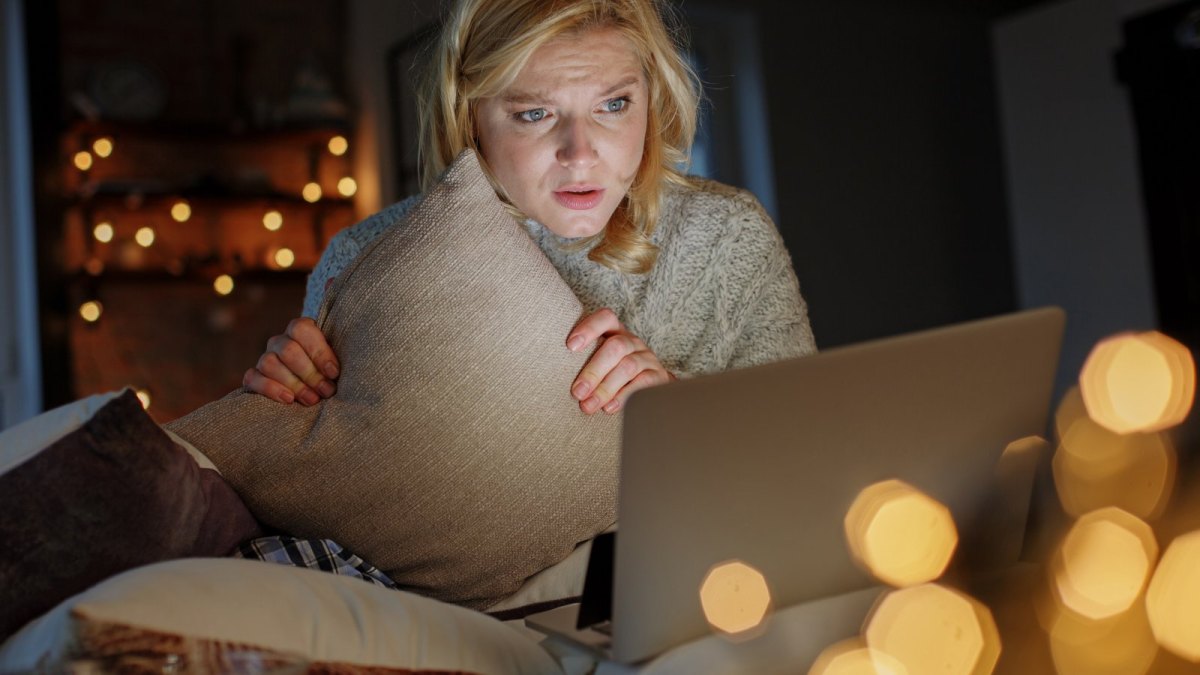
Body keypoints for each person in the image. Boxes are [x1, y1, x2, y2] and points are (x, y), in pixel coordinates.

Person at [243, 0, 817, 415]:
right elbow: (331, 482)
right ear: (471, 120)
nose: (580, 154)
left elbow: (813, 446)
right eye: (534, 114)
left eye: (613, 104)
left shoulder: (729, 236)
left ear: (653, 98)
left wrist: (679, 411)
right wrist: (289, 397)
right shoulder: (364, 255)